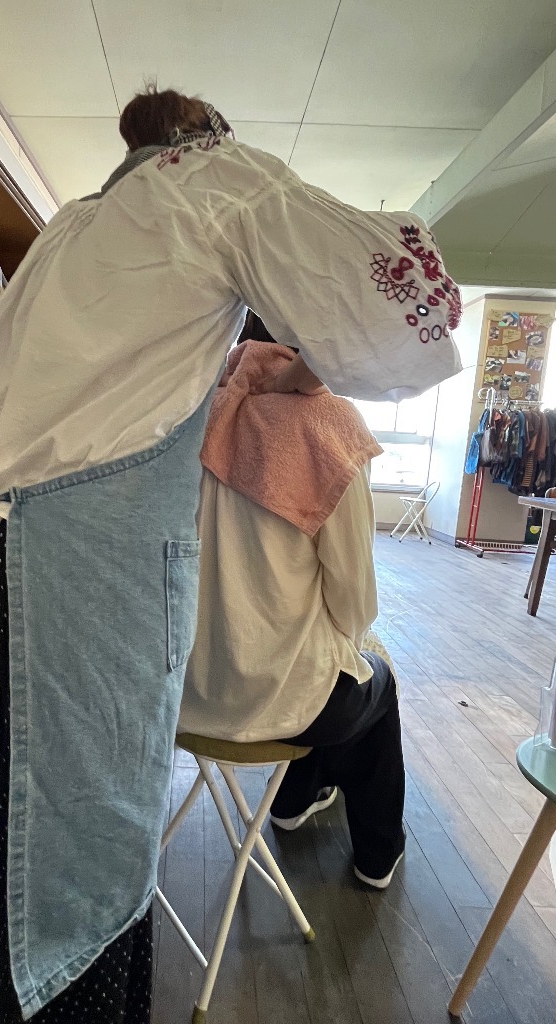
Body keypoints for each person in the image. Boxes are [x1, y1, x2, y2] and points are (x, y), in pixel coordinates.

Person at [0, 87, 461, 1023]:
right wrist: (314, 369)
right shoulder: (216, 182)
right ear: (207, 134)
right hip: (85, 584)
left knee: (2, 846)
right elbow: (388, 310)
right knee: (85, 855)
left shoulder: (79, 223)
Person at [180, 315, 406, 888]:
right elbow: (354, 597)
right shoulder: (329, 427)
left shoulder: (191, 415)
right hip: (279, 704)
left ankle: (296, 798)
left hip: (184, 695)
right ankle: (378, 852)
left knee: (326, 665)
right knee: (371, 678)